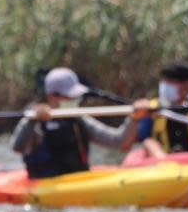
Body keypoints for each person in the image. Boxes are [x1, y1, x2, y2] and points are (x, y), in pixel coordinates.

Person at [10, 67, 150, 178]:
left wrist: (134, 119)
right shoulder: (34, 120)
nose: (75, 99)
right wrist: (31, 121)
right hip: (45, 183)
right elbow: (17, 147)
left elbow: (120, 142)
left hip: (77, 181)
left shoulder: (78, 119)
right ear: (52, 96)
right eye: (70, 96)